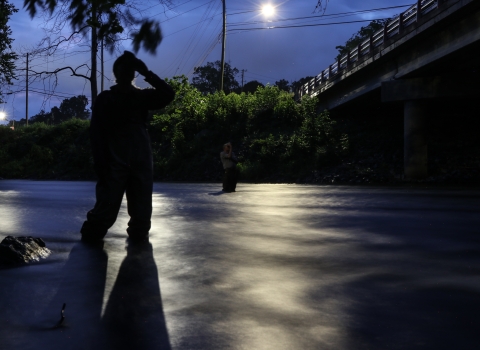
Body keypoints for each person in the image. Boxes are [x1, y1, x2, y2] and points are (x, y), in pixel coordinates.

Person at [80, 51, 175, 242]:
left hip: (140, 158)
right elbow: (96, 134)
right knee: (105, 210)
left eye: (129, 70)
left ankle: (138, 250)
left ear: (133, 74)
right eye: (125, 70)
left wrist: (147, 73)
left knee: (141, 212)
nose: (126, 74)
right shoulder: (106, 98)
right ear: (118, 73)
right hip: (115, 159)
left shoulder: (141, 97)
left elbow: (168, 94)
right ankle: (91, 239)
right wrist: (101, 164)